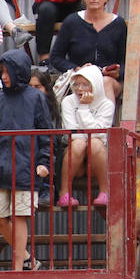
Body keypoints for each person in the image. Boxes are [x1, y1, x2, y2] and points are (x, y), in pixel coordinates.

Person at [0, 51, 52, 271]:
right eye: (1, 72)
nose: (3, 76)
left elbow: (46, 133)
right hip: (0, 167)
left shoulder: (37, 98)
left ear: (18, 70)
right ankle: (28, 259)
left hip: (26, 167)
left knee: (20, 216)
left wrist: (44, 162)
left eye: (7, 71)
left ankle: (18, 267)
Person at [49, 0, 126, 103]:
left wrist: (118, 72)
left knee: (105, 83)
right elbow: (56, 58)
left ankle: (104, 123)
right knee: (81, 86)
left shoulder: (118, 24)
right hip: (79, 79)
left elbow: (126, 61)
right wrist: (78, 69)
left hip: (109, 80)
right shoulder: (71, 22)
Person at [56, 64, 115, 207]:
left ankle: (104, 191)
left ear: (95, 85)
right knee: (79, 143)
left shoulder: (106, 104)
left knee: (94, 142)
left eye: (85, 84)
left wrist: (83, 108)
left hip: (97, 154)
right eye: (76, 84)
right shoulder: (68, 101)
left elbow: (99, 134)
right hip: (75, 151)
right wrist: (83, 108)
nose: (79, 89)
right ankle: (64, 193)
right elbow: (73, 133)